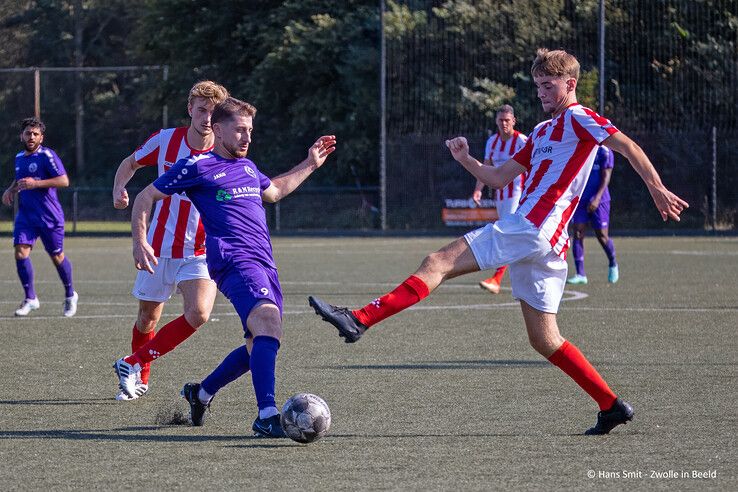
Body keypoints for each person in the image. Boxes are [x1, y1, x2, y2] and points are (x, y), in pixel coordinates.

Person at [309, 48, 688, 435]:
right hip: (546, 244)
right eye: (537, 85)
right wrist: (466, 159)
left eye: (548, 85)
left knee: (436, 262)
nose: (540, 92)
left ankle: (360, 318)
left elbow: (628, 146)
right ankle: (611, 405)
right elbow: (498, 178)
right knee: (545, 339)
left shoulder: (578, 117)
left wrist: (656, 187)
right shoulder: (540, 132)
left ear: (569, 84)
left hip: (530, 228)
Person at [121, 96, 336, 437]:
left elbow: (276, 191)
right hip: (232, 259)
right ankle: (267, 415)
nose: (246, 137)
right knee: (266, 322)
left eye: (250, 130)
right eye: (239, 130)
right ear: (218, 130)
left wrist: (310, 163)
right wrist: (140, 240)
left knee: (259, 340)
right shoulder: (196, 167)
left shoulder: (249, 168)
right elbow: (146, 196)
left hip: (265, 262)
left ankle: (201, 393)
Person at [111, 81, 229, 401]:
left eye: (214, 112)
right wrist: (119, 189)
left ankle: (132, 363)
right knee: (148, 318)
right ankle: (140, 376)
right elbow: (130, 163)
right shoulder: (166, 141)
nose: (207, 118)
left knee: (200, 313)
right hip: (158, 247)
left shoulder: (224, 151)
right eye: (201, 110)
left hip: (200, 252)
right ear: (190, 109)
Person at [2, 117, 77, 317]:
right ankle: (30, 298)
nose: (31, 137)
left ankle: (70, 295)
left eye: (35, 134)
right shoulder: (19, 158)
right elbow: (20, 179)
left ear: (41, 138)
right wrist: (10, 190)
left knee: (56, 256)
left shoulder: (47, 156)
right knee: (20, 252)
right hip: (26, 216)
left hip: (49, 216)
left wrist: (37, 184)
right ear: (22, 136)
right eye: (28, 133)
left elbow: (64, 180)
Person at [472, 105, 528, 294]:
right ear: (496, 121)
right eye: (500, 120)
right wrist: (478, 190)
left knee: (505, 232)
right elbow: (485, 168)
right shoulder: (492, 142)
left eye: (507, 120)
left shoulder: (521, 141)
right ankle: (525, 274)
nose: (504, 123)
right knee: (514, 235)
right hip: (500, 195)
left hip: (518, 193)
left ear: (514, 121)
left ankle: (496, 279)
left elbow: (535, 166)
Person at [567, 145, 618, 284]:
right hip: (580, 199)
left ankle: (613, 263)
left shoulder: (605, 151)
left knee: (601, 235)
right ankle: (580, 274)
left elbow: (606, 178)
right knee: (577, 233)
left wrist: (597, 198)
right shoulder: (579, 148)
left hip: (599, 200)